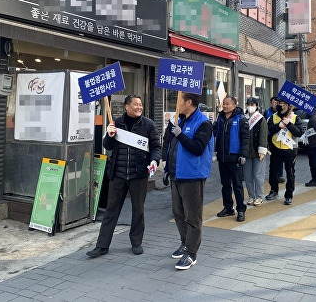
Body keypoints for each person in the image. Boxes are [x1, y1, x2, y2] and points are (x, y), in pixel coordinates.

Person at [86, 95, 161, 258]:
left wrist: (155, 161)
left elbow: (156, 147)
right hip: (118, 174)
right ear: (126, 106)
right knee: (111, 210)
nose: (139, 107)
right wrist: (110, 135)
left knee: (138, 210)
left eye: (140, 105)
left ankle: (136, 242)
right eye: (135, 104)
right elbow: (107, 146)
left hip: (139, 174)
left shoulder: (148, 125)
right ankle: (102, 245)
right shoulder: (117, 123)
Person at [162, 92, 214, 270]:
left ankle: (191, 253)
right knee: (178, 213)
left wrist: (180, 134)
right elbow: (171, 146)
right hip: (177, 174)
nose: (177, 105)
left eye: (179, 102)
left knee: (192, 217)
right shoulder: (181, 120)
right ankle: (185, 243)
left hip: (192, 176)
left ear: (189, 102)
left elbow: (198, 148)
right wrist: (167, 167)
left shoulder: (203, 124)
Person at [213, 96, 249, 222]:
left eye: (227, 104)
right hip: (222, 157)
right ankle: (228, 207)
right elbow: (214, 133)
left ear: (234, 105)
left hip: (235, 157)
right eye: (223, 104)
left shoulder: (241, 119)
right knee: (225, 184)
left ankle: (240, 209)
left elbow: (245, 138)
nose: (225, 106)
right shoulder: (220, 118)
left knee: (237, 185)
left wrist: (243, 155)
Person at [265, 100, 305, 205]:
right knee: (273, 171)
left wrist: (289, 124)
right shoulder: (273, 117)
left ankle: (288, 195)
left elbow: (299, 133)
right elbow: (269, 130)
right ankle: (274, 190)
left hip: (290, 149)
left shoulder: (295, 117)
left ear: (286, 105)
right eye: (277, 103)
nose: (278, 105)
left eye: (281, 104)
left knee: (290, 173)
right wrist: (279, 125)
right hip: (276, 148)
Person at [244, 97, 268, 206]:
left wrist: (262, 150)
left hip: (258, 152)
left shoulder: (260, 119)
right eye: (248, 104)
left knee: (258, 175)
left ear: (256, 106)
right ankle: (251, 196)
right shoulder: (243, 119)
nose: (250, 106)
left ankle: (259, 197)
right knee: (248, 176)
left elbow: (263, 136)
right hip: (246, 152)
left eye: (252, 104)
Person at [264, 96, 285, 183]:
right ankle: (273, 174)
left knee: (280, 157)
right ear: (271, 103)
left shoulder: (283, 113)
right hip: (270, 136)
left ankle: (279, 175)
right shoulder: (267, 112)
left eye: (277, 103)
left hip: (281, 137)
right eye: (273, 102)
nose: (275, 104)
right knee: (273, 157)